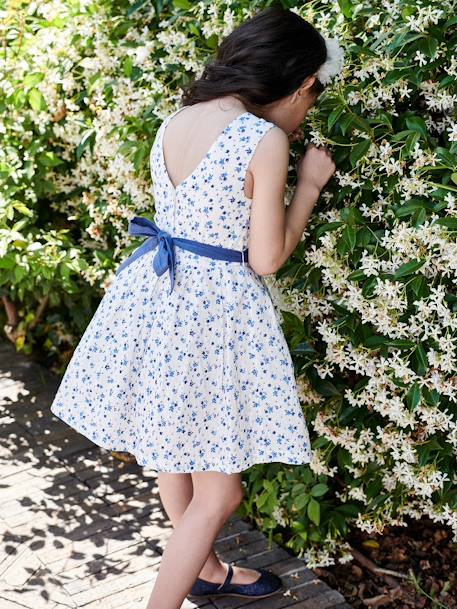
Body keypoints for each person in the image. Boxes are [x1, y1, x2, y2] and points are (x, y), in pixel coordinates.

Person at [49, 5, 342, 608]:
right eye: (312, 97)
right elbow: (266, 258)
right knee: (221, 496)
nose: (306, 112)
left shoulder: (177, 120)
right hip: (214, 311)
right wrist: (309, 186)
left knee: (175, 450)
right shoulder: (263, 138)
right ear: (301, 83)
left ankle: (205, 569)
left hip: (160, 295)